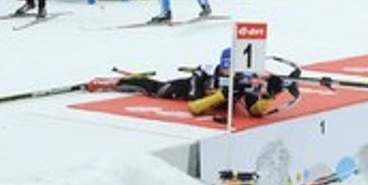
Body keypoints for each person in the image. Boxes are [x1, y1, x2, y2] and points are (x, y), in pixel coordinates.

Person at [90, 47, 300, 118]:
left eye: (234, 69)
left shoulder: (244, 79)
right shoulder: (204, 75)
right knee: (158, 89)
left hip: (218, 100)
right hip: (193, 91)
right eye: (227, 68)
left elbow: (255, 112)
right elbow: (194, 107)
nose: (231, 73)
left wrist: (269, 95)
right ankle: (116, 82)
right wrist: (223, 95)